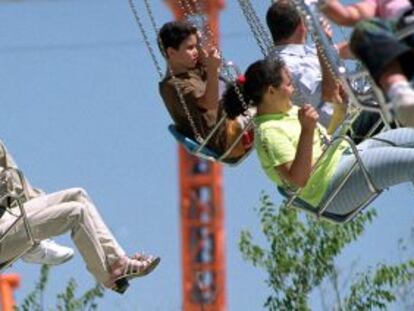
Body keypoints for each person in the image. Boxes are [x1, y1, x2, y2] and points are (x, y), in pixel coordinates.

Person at [223, 57, 414, 217]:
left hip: (344, 158)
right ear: (271, 91)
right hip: (332, 188)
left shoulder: (289, 111)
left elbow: (321, 146)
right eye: (288, 84)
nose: (293, 89)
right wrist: (307, 129)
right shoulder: (268, 133)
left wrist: (339, 112)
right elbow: (299, 179)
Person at [0, 142, 160, 294]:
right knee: (76, 213)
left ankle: (118, 261)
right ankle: (109, 277)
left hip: (8, 216)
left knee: (78, 195)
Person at [158, 21, 253, 160]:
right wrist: (213, 70)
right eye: (190, 48)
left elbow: (204, 60)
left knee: (261, 77)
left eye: (195, 46)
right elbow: (209, 104)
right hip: (228, 139)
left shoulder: (191, 68)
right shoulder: (173, 86)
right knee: (272, 91)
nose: (195, 51)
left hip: (233, 120)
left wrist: (199, 41)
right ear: (171, 52)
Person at [320, 0, 414, 126]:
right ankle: (400, 92)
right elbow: (348, 15)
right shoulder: (380, 3)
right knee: (363, 31)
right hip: (400, 42)